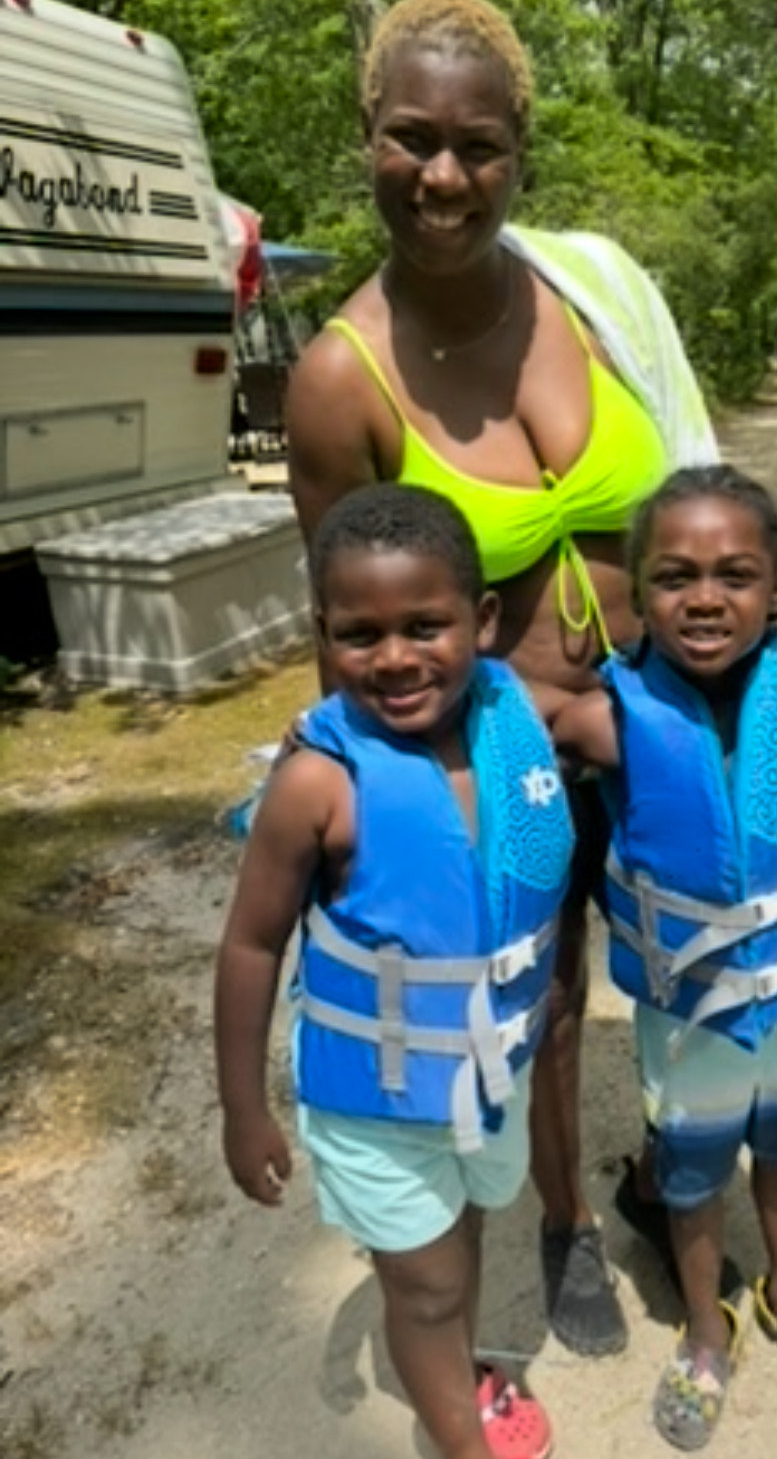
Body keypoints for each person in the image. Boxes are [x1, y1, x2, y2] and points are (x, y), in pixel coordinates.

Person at [285, 0, 717, 1356]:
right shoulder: (338, 380)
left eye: (477, 144)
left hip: (660, 713)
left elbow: (701, 484)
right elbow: (349, 628)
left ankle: (665, 1177)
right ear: (367, 139)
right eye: (410, 139)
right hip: (501, 754)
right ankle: (559, 1220)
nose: (443, 176)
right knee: (541, 992)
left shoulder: (597, 286)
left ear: (519, 151)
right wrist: (379, 817)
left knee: (702, 960)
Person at [214, 485, 575, 1459]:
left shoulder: (515, 722)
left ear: (483, 621)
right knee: (424, 1286)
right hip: (376, 1102)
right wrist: (242, 1107)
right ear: (323, 635)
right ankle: (459, 1436)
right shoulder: (316, 782)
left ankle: (456, 1372)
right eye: (360, 634)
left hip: (491, 1075)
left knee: (461, 1242)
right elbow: (251, 944)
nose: (397, 657)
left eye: (426, 625)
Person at [552, 465, 777, 1450]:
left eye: (735, 573)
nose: (705, 597)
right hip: (690, 1017)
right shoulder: (604, 720)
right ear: (639, 591)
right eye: (674, 575)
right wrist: (336, 740)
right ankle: (707, 1329)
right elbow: (475, 742)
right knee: (694, 1175)